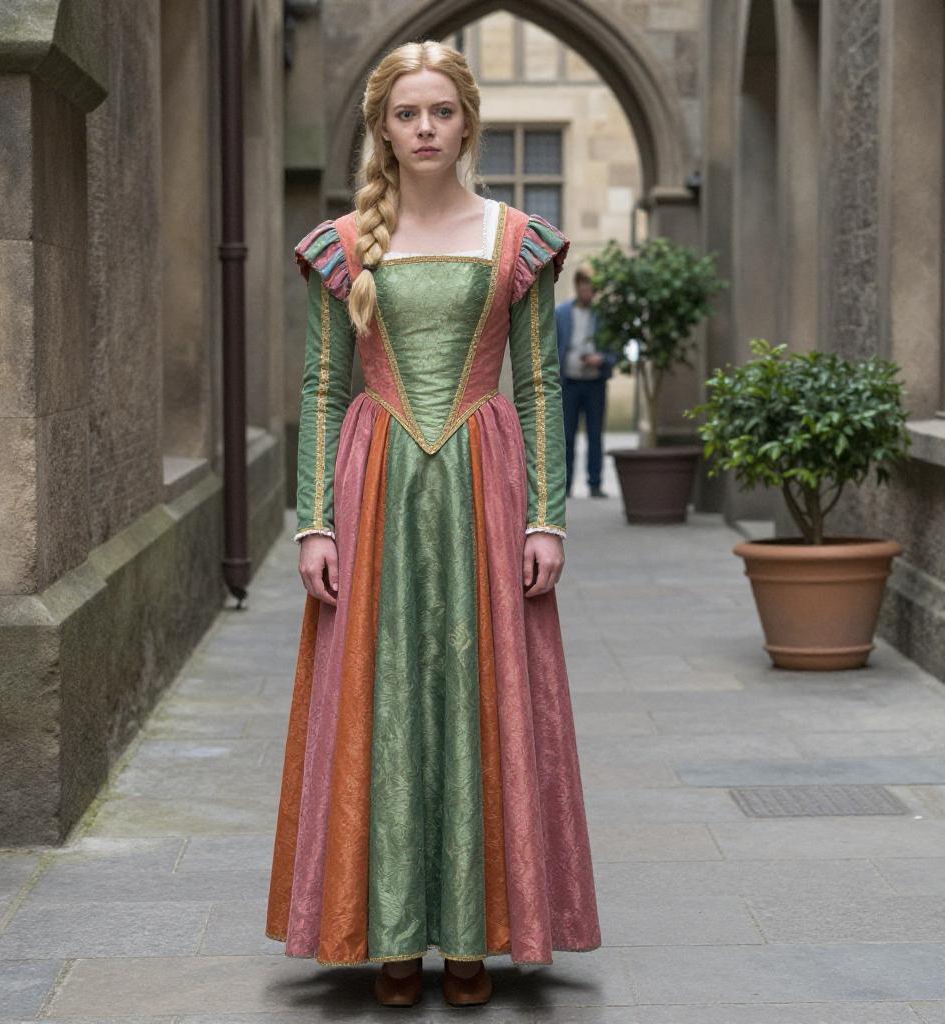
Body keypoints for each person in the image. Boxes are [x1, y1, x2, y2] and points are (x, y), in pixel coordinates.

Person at [266, 40, 601, 1009]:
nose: (423, 129)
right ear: (383, 126)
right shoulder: (345, 243)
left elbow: (537, 386)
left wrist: (547, 518)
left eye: (439, 113)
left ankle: (475, 932)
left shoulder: (514, 239)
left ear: (466, 121)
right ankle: (389, 937)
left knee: (480, 691)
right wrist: (313, 524)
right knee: (381, 700)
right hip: (371, 495)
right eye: (405, 114)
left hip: (483, 491)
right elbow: (324, 388)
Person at [556, 264, 618, 497]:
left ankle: (595, 483)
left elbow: (614, 350)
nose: (588, 294)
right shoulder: (562, 313)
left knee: (595, 434)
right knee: (567, 436)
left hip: (594, 382)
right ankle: (566, 485)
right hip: (569, 382)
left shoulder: (603, 316)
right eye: (584, 289)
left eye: (591, 290)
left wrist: (601, 359)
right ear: (577, 288)